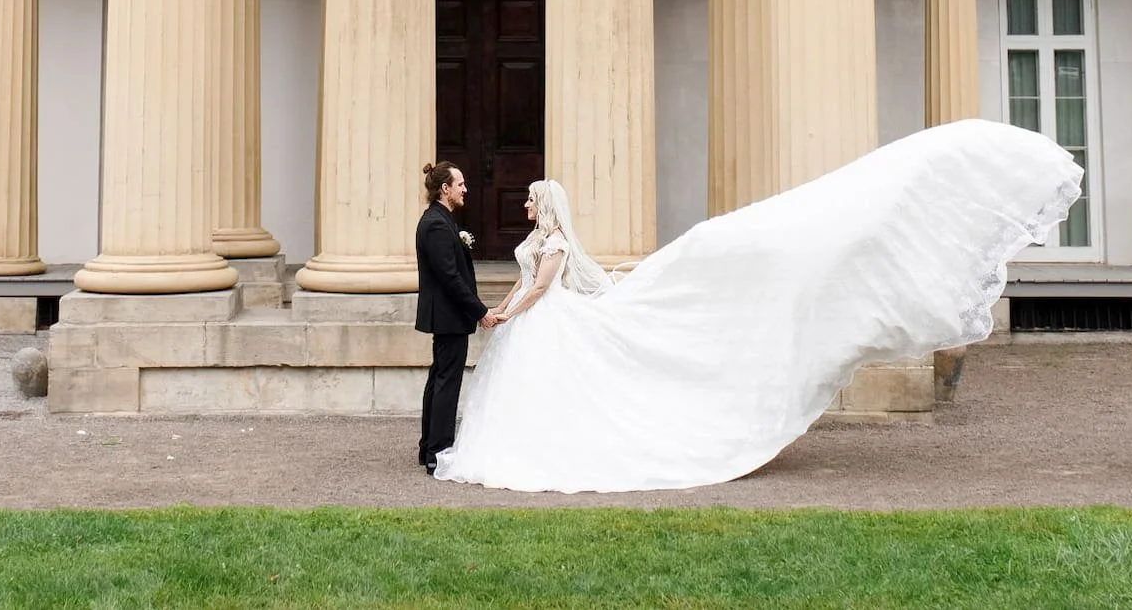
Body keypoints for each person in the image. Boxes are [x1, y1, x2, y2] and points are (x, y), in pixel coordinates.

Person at [430, 117, 1082, 493]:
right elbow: (531, 283)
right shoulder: (540, 240)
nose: (524, 205)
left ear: (545, 207)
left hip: (544, 323)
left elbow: (544, 286)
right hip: (531, 324)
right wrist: (501, 308)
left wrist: (505, 313)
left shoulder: (554, 246)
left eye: (531, 202)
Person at [412, 160, 487, 472]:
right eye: (460, 185)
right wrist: (480, 310)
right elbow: (450, 277)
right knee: (446, 382)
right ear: (445, 189)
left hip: (448, 316)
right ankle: (438, 452)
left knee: (439, 379)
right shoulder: (436, 225)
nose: (465, 190)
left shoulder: (441, 221)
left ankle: (429, 447)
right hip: (448, 316)